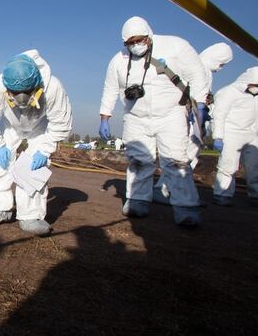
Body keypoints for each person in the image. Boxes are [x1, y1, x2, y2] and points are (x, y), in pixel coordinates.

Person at [98, 16, 208, 226]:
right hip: (135, 117)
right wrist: (105, 117)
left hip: (170, 114)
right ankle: (138, 200)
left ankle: (186, 208)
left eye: (139, 40)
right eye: (130, 43)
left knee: (176, 161)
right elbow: (110, 89)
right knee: (138, 161)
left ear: (149, 35)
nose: (135, 46)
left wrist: (200, 103)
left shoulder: (175, 46)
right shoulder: (118, 60)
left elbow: (197, 74)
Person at [0, 50, 73, 235]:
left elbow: (61, 122)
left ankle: (31, 215)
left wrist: (45, 150)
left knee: (34, 170)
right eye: (15, 93)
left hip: (40, 128)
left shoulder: (52, 87)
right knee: (0, 164)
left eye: (27, 93)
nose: (21, 99)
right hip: (11, 127)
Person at [153, 42, 233, 204]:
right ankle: (165, 189)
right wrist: (199, 115)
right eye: (221, 64)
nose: (220, 68)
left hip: (189, 118)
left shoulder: (194, 65)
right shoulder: (200, 69)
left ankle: (178, 193)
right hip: (189, 120)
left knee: (185, 158)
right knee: (183, 158)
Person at [211, 67, 258, 207]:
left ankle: (255, 195)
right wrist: (218, 137)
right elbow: (219, 116)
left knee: (254, 167)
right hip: (232, 133)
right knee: (228, 166)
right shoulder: (227, 93)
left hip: (252, 134)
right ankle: (222, 194)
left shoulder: (255, 96)